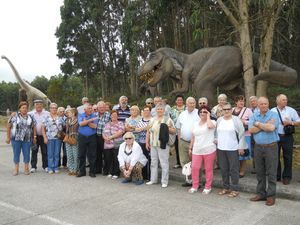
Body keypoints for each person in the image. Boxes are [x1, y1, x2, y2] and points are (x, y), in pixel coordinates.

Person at [249, 97, 279, 206]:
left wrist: (258, 124)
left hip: (271, 147)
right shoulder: (254, 115)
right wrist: (265, 125)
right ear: (258, 105)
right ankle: (261, 194)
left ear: (268, 104)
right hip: (258, 147)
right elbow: (251, 130)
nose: (263, 106)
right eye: (261, 104)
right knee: (260, 172)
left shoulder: (274, 115)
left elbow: (271, 128)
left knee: (271, 172)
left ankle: (271, 196)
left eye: (265, 104)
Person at [216, 103, 247, 197]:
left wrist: (241, 147)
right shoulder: (219, 120)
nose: (226, 111)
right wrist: (216, 139)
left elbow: (241, 134)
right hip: (221, 148)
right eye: (224, 109)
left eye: (228, 109)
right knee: (224, 169)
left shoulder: (236, 120)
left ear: (231, 110)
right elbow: (216, 133)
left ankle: (235, 188)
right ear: (221, 110)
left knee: (234, 169)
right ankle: (226, 187)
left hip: (233, 148)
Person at [271, 94, 300, 185]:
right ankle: (277, 175)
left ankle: (287, 177)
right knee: (275, 157)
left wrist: (290, 122)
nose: (285, 101)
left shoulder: (291, 110)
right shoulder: (272, 111)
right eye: (283, 100)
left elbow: (299, 122)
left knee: (288, 157)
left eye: (286, 99)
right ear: (278, 101)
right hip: (275, 136)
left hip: (287, 137)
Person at [146, 103, 176, 188]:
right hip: (153, 144)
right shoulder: (152, 120)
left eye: (161, 109)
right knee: (153, 162)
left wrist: (166, 127)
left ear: (164, 110)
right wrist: (147, 142)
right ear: (156, 110)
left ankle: (164, 181)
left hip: (163, 144)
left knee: (164, 163)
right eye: (158, 109)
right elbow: (148, 131)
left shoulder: (168, 119)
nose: (159, 110)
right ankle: (153, 179)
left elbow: (174, 131)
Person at [188, 105, 216, 194]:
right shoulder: (195, 123)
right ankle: (195, 185)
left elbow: (210, 126)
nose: (202, 113)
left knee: (208, 169)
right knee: (195, 168)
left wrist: (208, 117)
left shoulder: (212, 121)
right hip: (197, 149)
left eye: (205, 112)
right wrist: (190, 147)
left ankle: (208, 187)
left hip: (209, 149)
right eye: (201, 112)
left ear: (208, 113)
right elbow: (193, 137)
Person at [6, 101, 36, 175]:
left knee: (27, 154)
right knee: (16, 154)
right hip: (16, 139)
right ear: (19, 109)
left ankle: (26, 169)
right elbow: (8, 126)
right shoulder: (14, 116)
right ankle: (16, 169)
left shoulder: (30, 117)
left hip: (27, 139)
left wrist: (34, 137)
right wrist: (8, 137)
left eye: (26, 108)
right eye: (23, 108)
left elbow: (34, 127)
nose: (24, 109)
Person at [176, 97, 199, 186]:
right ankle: (188, 180)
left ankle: (196, 181)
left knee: (195, 163)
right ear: (186, 104)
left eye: (193, 103)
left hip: (195, 142)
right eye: (190, 103)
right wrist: (179, 140)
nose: (192, 104)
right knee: (184, 162)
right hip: (183, 141)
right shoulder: (182, 114)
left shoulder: (198, 113)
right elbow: (178, 128)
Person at [232, 95, 253, 178]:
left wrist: (244, 122)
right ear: (236, 102)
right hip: (234, 135)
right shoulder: (232, 110)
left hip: (245, 134)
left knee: (243, 152)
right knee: (234, 152)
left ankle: (242, 170)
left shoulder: (248, 110)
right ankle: (235, 169)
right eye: (240, 101)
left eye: (243, 101)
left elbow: (252, 121)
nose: (241, 102)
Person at [77, 103, 98, 178]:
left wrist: (87, 121)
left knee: (92, 154)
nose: (91, 110)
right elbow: (81, 124)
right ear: (85, 109)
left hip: (92, 136)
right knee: (81, 154)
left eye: (91, 108)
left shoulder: (94, 116)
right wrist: (90, 121)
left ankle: (92, 172)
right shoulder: (81, 115)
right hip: (82, 136)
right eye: (89, 108)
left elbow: (94, 126)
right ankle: (82, 171)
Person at [42, 103, 64, 174]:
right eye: (52, 108)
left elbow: (64, 126)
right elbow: (43, 128)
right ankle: (50, 167)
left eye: (55, 108)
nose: (54, 109)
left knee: (57, 153)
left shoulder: (60, 118)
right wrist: (45, 137)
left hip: (58, 138)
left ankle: (56, 167)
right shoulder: (46, 117)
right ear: (50, 109)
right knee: (50, 154)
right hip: (50, 138)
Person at [102, 110, 125, 179]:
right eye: (112, 115)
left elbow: (120, 132)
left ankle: (116, 173)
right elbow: (103, 132)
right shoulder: (107, 124)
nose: (114, 116)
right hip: (107, 144)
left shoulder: (120, 123)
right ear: (110, 116)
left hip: (116, 144)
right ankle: (110, 172)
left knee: (116, 158)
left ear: (117, 116)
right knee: (108, 158)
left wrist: (111, 137)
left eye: (115, 115)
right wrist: (105, 138)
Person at [29, 99, 50, 173]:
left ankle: (46, 166)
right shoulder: (31, 113)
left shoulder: (47, 113)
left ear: (42, 105)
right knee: (34, 151)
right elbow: (22, 113)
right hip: (34, 136)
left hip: (44, 135)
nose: (39, 106)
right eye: (37, 104)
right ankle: (33, 167)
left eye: (40, 104)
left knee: (45, 151)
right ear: (34, 105)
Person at [135, 105, 152, 181]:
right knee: (142, 159)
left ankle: (150, 177)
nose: (146, 112)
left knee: (150, 159)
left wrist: (142, 129)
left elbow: (150, 129)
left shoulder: (152, 120)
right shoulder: (140, 120)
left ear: (150, 111)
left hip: (149, 142)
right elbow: (136, 130)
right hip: (141, 142)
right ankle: (144, 176)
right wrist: (144, 128)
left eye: (147, 110)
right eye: (144, 110)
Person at [170, 94, 185, 169]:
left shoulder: (186, 108)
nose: (179, 101)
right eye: (178, 100)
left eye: (181, 100)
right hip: (175, 131)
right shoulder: (172, 109)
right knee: (177, 147)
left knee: (184, 147)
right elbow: (169, 119)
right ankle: (178, 162)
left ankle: (185, 163)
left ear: (183, 101)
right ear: (176, 101)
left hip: (185, 131)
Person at [96, 101, 110, 174]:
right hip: (96, 136)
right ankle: (98, 169)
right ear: (97, 108)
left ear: (105, 108)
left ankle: (106, 170)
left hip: (105, 137)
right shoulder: (94, 115)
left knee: (106, 154)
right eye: (100, 107)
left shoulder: (108, 115)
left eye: (103, 107)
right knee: (97, 153)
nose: (101, 108)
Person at [65, 108, 79, 176]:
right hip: (68, 139)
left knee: (75, 155)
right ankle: (71, 169)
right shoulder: (67, 120)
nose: (68, 114)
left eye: (69, 112)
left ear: (73, 113)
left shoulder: (78, 120)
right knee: (69, 155)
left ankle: (75, 169)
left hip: (75, 138)